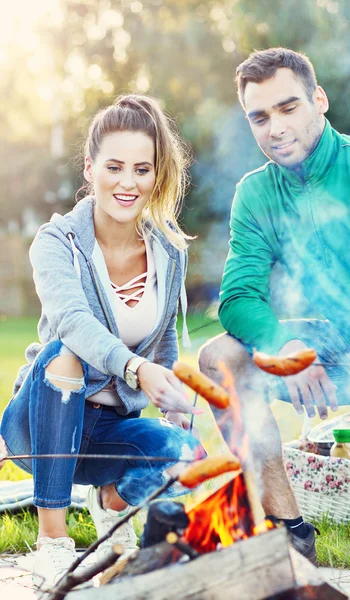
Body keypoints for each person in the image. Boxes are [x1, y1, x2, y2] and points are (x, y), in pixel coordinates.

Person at [199, 47, 350, 565]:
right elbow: (239, 297)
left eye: (288, 108)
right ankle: (288, 532)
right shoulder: (257, 194)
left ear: (319, 100)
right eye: (259, 117)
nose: (275, 129)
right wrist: (284, 345)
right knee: (221, 357)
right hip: (334, 347)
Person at [0, 94, 205, 590]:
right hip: (43, 423)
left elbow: (163, 348)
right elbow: (72, 322)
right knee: (65, 353)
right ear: (90, 168)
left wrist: (174, 399)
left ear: (156, 175)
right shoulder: (56, 243)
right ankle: (53, 543)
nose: (127, 182)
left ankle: (107, 498)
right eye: (114, 166)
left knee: (186, 454)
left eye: (142, 169)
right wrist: (136, 370)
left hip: (112, 429)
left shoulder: (168, 249)